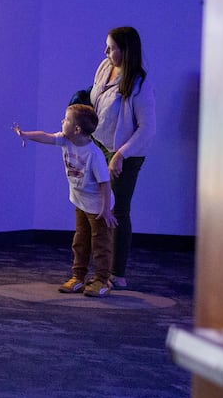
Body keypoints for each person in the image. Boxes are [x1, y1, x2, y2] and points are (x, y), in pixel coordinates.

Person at [13, 103, 117, 297]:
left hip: (98, 207)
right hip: (80, 202)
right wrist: (26, 135)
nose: (62, 121)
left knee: (100, 244)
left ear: (77, 129)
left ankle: (102, 280)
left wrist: (106, 209)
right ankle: (78, 277)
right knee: (80, 240)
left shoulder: (94, 155)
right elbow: (46, 136)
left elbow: (105, 183)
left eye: (66, 119)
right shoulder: (66, 140)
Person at [89, 26, 157, 288]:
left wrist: (120, 154)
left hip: (126, 153)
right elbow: (95, 100)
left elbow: (147, 129)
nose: (106, 51)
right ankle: (97, 267)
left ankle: (117, 272)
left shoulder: (141, 85)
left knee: (118, 208)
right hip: (99, 144)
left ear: (125, 51)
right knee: (93, 206)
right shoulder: (104, 68)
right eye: (106, 46)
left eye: (111, 47)